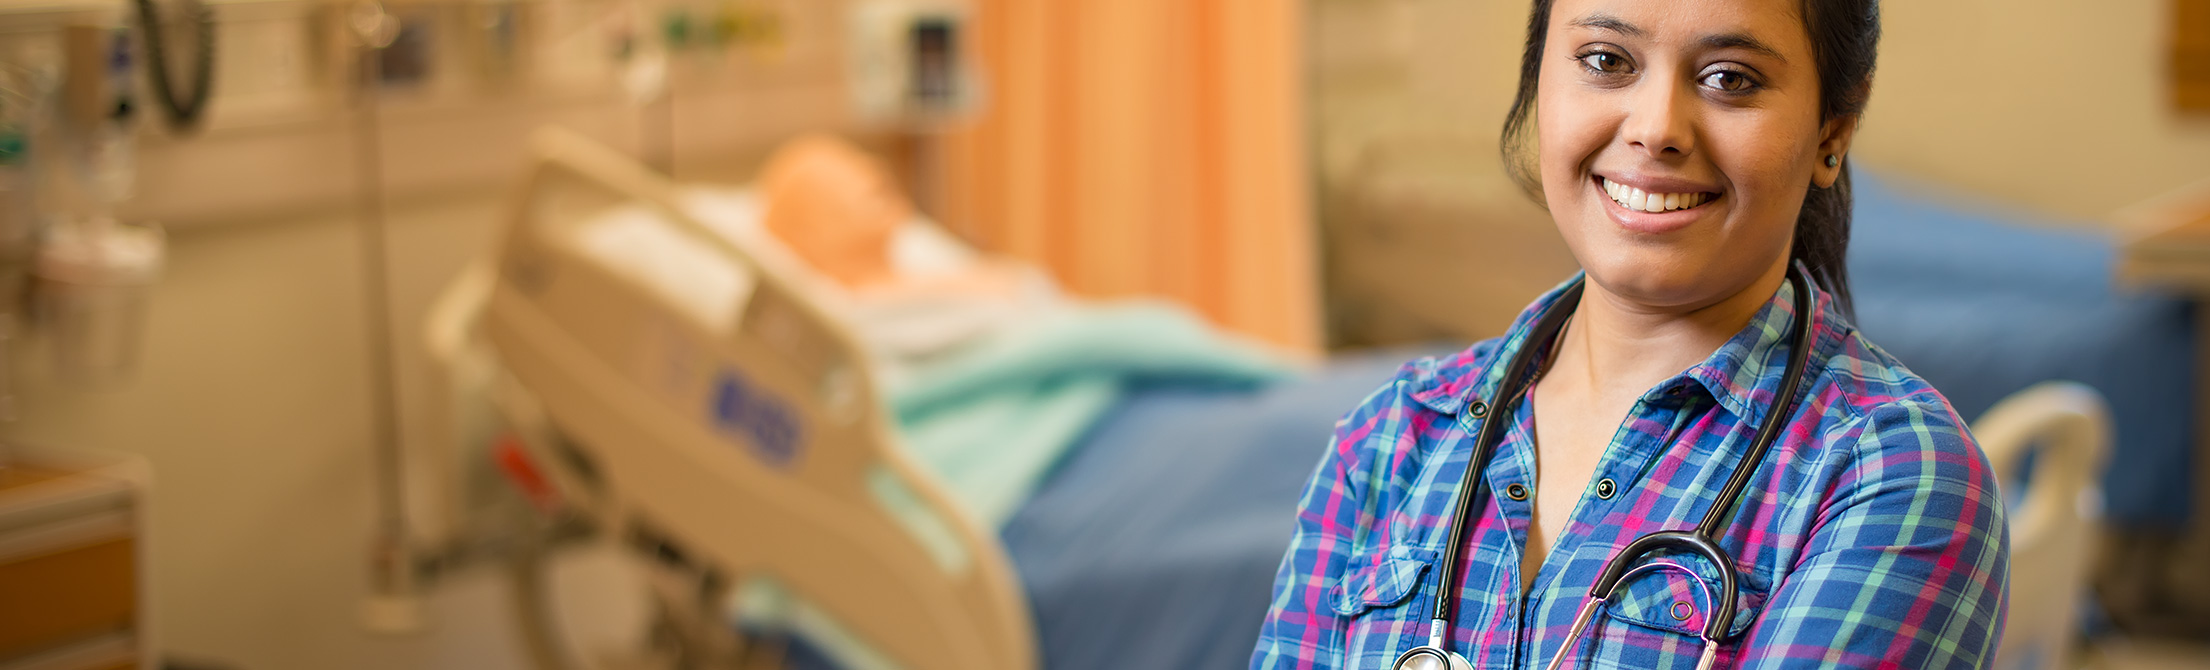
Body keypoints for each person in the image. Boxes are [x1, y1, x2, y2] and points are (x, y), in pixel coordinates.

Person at [1250, 0, 2007, 667]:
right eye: (1606, 61)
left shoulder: (1891, 473)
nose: (1655, 129)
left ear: (1832, 130)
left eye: (1731, 78)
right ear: (1538, 81)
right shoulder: (1389, 441)